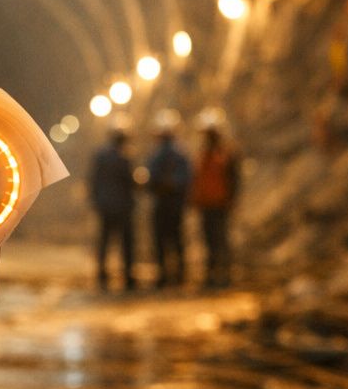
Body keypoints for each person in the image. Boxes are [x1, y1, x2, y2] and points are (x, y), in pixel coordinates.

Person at [191, 111, 240, 287]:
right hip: (206, 204)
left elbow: (234, 179)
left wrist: (231, 200)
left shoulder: (226, 153)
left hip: (221, 204)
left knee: (221, 240)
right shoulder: (203, 154)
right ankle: (211, 276)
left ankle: (225, 275)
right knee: (209, 241)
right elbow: (198, 179)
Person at [144, 111, 191, 288]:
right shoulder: (179, 153)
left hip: (165, 203)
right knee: (175, 239)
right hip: (172, 204)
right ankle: (178, 274)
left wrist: (164, 185)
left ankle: (166, 275)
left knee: (164, 240)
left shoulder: (158, 155)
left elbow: (151, 180)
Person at [88, 124, 137, 290]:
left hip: (105, 206)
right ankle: (128, 277)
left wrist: (96, 201)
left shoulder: (100, 156)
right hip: (122, 206)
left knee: (105, 241)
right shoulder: (125, 157)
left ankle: (102, 275)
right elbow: (130, 181)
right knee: (126, 242)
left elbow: (93, 180)